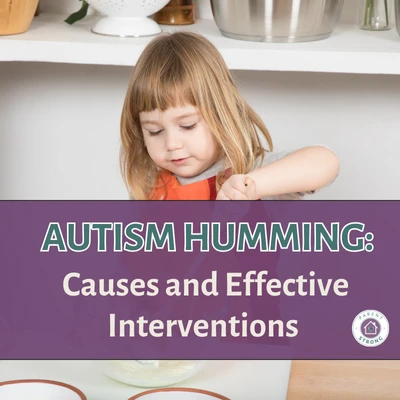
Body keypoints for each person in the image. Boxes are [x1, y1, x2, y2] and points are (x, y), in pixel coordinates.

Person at [120, 32, 339, 200]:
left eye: (187, 126)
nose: (172, 144)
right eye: (154, 131)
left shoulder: (251, 170)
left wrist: (251, 185)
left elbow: (325, 161)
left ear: (221, 115)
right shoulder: (149, 187)